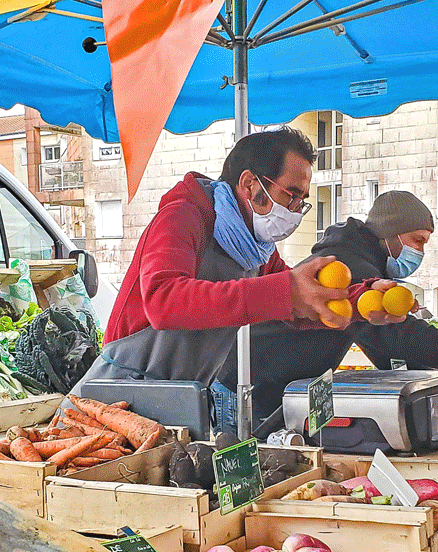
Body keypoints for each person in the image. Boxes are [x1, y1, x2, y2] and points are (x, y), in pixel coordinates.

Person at [72, 128, 408, 401]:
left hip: (183, 395)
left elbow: (298, 304)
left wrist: (360, 301)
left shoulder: (256, 250)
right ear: (250, 184)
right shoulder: (182, 216)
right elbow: (163, 300)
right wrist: (285, 291)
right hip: (118, 389)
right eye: (290, 195)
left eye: (301, 201)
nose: (294, 209)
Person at [214, 190, 438, 427]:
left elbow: (383, 345)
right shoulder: (345, 265)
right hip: (247, 388)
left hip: (268, 389)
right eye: (417, 240)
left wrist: (427, 381)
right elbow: (392, 333)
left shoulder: (359, 262)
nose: (420, 252)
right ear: (392, 233)